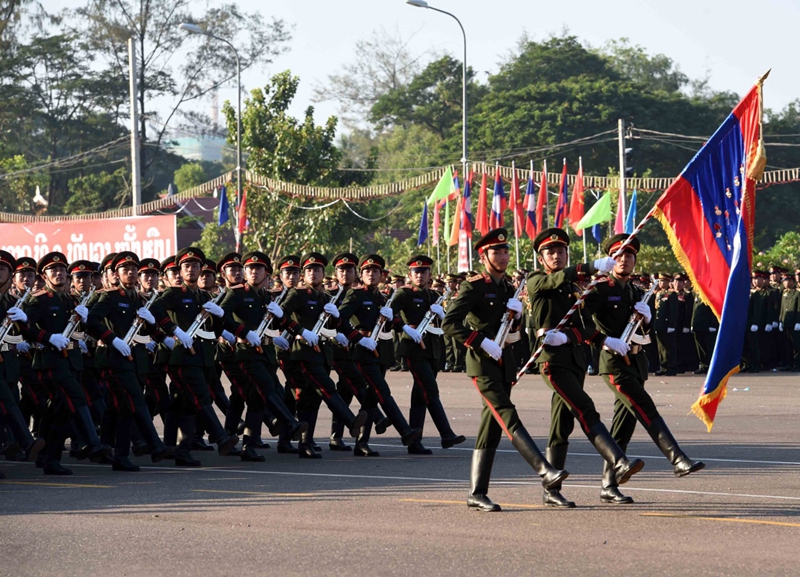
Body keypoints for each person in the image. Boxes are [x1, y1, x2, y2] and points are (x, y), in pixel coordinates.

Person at [442, 228, 568, 512]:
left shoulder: (508, 288)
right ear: (484, 256)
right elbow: (450, 323)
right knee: (507, 415)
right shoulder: (473, 286)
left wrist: (516, 319)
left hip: (503, 363)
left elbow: (514, 334)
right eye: (496, 252)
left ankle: (477, 492)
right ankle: (544, 470)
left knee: (491, 429)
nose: (502, 256)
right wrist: (481, 341)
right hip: (482, 364)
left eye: (505, 251)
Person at [527, 229, 644, 507]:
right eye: (550, 252)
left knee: (562, 424)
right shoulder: (536, 280)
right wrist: (590, 267)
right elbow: (551, 282)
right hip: (552, 362)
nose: (557, 256)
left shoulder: (574, 288)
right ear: (541, 258)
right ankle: (619, 462)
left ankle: (551, 490)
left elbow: (584, 327)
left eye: (561, 252)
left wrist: (601, 339)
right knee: (585, 408)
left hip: (576, 360)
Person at [584, 234, 705, 503]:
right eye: (619, 256)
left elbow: (645, 333)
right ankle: (678, 459)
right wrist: (604, 341)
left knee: (623, 425)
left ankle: (608, 485)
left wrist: (647, 320)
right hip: (614, 364)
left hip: (636, 363)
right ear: (611, 260)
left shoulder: (636, 291)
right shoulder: (600, 289)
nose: (624, 260)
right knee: (644, 407)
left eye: (629, 256)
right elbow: (580, 322)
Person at [23, 251, 112, 475]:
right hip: (50, 362)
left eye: (62, 270)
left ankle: (49, 459)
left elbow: (81, 330)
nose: (59, 273)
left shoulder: (72, 301)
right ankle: (94, 443)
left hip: (73, 361)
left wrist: (85, 320)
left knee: (59, 412)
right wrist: (48, 337)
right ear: (45, 275)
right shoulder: (40, 299)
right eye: (54, 270)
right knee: (77, 398)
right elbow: (25, 328)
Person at [149, 247, 239, 467]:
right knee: (201, 397)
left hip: (202, 356)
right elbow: (154, 310)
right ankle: (221, 437)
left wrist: (219, 317)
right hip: (182, 357)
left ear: (201, 269)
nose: (191, 269)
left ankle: (179, 450)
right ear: (180, 270)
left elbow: (213, 328)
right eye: (186, 266)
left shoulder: (203, 296)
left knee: (184, 404)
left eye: (195, 266)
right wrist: (173, 330)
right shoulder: (174, 293)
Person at [86, 251, 174, 471]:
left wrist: (160, 333)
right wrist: (112, 339)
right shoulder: (110, 297)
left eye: (134, 269)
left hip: (135, 359)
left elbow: (148, 327)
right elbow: (92, 321)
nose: (131, 273)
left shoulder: (139, 298)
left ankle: (117, 454)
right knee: (136, 399)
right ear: (117, 273)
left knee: (122, 408)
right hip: (113, 359)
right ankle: (155, 445)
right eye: (126, 270)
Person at [219, 251, 307, 461]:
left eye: (258, 269)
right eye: (250, 269)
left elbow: (277, 324)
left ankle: (249, 446)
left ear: (267, 274)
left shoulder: (268, 297)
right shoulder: (237, 293)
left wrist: (280, 316)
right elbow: (221, 316)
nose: (253, 272)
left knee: (256, 400)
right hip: (245, 352)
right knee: (268, 388)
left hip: (266, 353)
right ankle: (290, 422)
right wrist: (242, 332)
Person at [336, 254, 423, 449]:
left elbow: (390, 323)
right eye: (367, 271)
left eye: (375, 271)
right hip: (362, 350)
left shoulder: (383, 297)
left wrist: (393, 319)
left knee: (370, 398)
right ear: (361, 274)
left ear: (381, 275)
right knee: (382, 391)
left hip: (380, 351)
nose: (371, 275)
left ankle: (362, 443)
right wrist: (359, 339)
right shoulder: (356, 295)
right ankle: (405, 431)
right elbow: (339, 320)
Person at [390, 255, 466, 455]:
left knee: (420, 395)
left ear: (429, 275)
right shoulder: (403, 294)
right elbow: (390, 314)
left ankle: (415, 441)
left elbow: (445, 324)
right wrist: (406, 328)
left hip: (432, 350)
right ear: (410, 275)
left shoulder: (433, 296)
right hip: (413, 348)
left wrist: (442, 315)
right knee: (430, 390)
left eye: (424, 272)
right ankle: (446, 434)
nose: (420, 275)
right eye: (416, 272)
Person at [0, 250, 45, 472]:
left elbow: (26, 332)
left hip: (8, 364)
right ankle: (26, 441)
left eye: (2, 269)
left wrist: (26, 324)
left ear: (9, 274)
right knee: (8, 403)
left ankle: (14, 444)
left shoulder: (14, 303)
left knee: (8, 406)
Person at [653, 273, 678, 376]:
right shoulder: (659, 293)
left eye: (663, 281)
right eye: (659, 281)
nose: (661, 283)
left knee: (670, 347)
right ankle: (663, 367)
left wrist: (672, 325)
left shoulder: (672, 294)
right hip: (659, 324)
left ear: (668, 282)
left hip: (667, 324)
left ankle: (671, 367)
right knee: (661, 347)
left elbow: (674, 311)